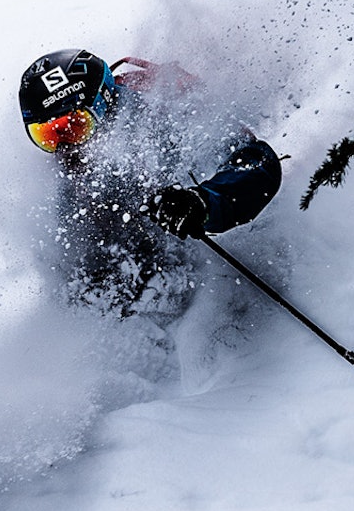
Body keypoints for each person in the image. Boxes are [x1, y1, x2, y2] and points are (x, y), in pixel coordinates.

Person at [18, 48, 281, 314]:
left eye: (77, 125)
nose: (65, 148)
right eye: (47, 135)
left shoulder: (166, 117)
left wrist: (203, 202)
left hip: (204, 241)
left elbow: (257, 162)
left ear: (104, 104)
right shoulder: (66, 176)